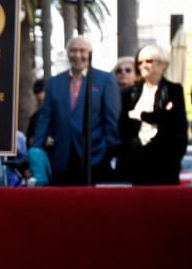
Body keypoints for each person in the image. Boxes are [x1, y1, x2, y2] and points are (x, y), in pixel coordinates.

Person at [32, 36, 120, 186]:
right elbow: (45, 118)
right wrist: (36, 149)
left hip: (95, 154)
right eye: (73, 50)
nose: (78, 55)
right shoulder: (54, 82)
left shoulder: (105, 79)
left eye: (82, 51)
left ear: (90, 53)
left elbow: (112, 118)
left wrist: (107, 147)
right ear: (67, 53)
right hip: (63, 156)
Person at [117, 44, 188, 185]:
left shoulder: (173, 90)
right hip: (135, 162)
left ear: (163, 65)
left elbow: (177, 125)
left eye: (149, 61)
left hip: (165, 163)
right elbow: (122, 127)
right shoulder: (129, 93)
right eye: (140, 62)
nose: (143, 65)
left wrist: (141, 115)